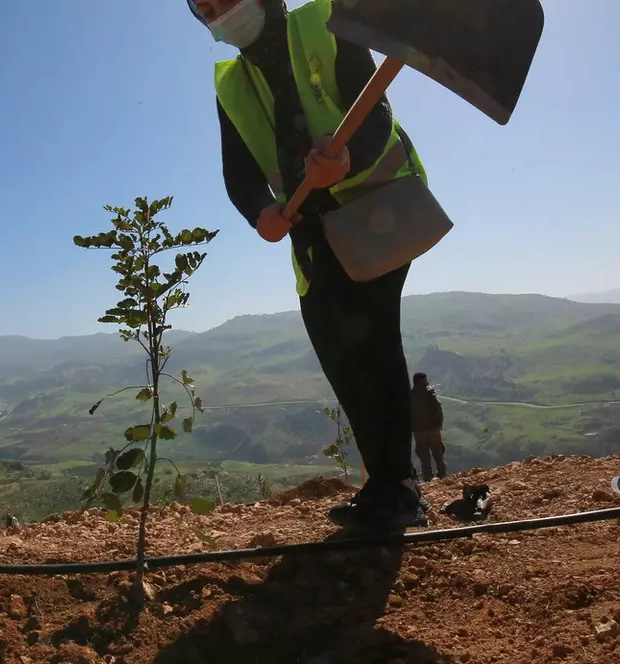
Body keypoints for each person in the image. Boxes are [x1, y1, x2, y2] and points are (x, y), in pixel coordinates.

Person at [189, 0, 429, 531]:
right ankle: (385, 482)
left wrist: (347, 157)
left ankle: (399, 489)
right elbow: (239, 169)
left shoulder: (324, 20)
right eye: (202, 9)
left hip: (376, 208)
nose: (215, 13)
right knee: (333, 342)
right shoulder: (231, 82)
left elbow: (375, 110)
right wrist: (259, 212)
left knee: (371, 335)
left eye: (220, 0)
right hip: (312, 229)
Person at [410, 372, 447, 481]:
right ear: (422, 381)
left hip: (419, 432)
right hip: (433, 429)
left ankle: (428, 477)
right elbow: (437, 408)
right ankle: (442, 475)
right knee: (438, 453)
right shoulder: (429, 393)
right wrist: (439, 423)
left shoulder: (410, 395)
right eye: (425, 380)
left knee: (424, 456)